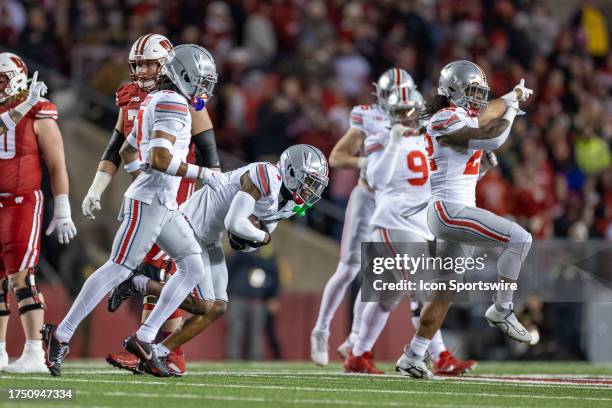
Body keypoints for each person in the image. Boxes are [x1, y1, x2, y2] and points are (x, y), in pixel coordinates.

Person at [41, 44, 220, 377]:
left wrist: (144, 174)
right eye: (199, 78)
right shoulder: (170, 102)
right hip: (151, 201)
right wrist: (205, 175)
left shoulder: (156, 100)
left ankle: (145, 337)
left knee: (192, 267)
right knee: (117, 268)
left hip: (163, 201)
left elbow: (127, 148)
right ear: (181, 73)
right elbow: (161, 159)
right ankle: (60, 334)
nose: (204, 87)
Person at [108, 144, 329, 376]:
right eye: (309, 181)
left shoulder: (292, 204)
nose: (310, 190)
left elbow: (244, 236)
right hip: (188, 224)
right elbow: (235, 222)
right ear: (292, 173)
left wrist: (250, 239)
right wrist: (262, 236)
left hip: (210, 237)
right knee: (203, 304)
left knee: (218, 307)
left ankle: (161, 352)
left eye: (315, 185)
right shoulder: (266, 175)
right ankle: (136, 283)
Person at [395, 60, 534, 379]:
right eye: (471, 91)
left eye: (479, 91)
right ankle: (502, 309)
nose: (477, 98)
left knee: (444, 293)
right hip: (447, 212)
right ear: (452, 91)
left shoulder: (459, 116)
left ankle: (414, 356)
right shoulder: (445, 117)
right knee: (520, 238)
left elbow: (483, 120)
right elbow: (494, 135)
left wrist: (512, 95)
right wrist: (511, 109)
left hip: (453, 213)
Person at [311, 68, 413, 366]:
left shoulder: (416, 118)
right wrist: (364, 161)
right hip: (368, 198)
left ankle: (355, 339)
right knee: (349, 268)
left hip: (394, 202)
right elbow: (336, 157)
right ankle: (321, 329)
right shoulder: (368, 116)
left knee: (378, 275)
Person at [0, 53, 76, 373]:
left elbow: (57, 163)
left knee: (21, 277)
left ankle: (34, 352)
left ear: (16, 78)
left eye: (1, 79)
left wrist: (62, 207)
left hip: (22, 203)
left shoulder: (39, 111)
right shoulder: (16, 111)